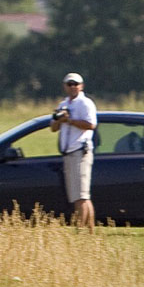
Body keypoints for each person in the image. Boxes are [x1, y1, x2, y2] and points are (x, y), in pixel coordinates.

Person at [50, 72, 98, 232]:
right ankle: (90, 232)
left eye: (75, 84)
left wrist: (69, 120)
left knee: (81, 196)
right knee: (80, 196)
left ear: (81, 86)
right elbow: (53, 127)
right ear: (65, 86)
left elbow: (91, 124)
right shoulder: (63, 104)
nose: (72, 87)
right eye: (69, 84)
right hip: (68, 153)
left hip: (80, 151)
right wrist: (59, 119)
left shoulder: (85, 103)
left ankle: (81, 231)